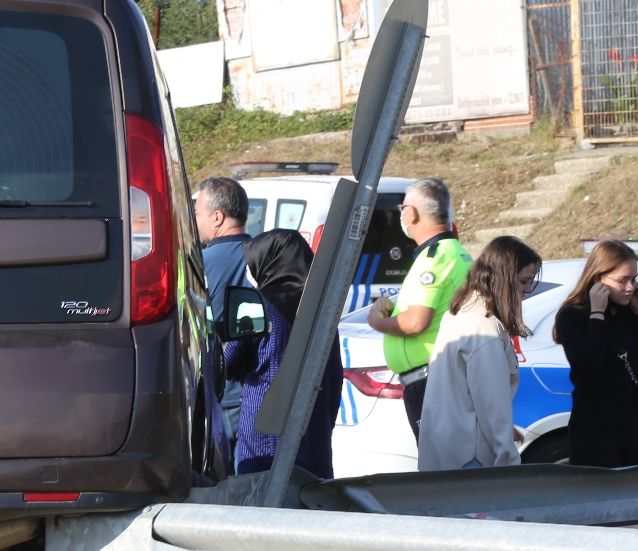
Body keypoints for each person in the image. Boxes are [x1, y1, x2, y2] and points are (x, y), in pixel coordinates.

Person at [223, 229, 342, 478]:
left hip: (264, 427)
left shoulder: (257, 304)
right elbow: (335, 378)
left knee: (263, 505)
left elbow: (228, 363)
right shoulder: (325, 309)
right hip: (314, 427)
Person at [418, 237, 542, 472]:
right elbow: (491, 404)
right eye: (524, 281)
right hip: (471, 454)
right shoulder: (484, 326)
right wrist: (508, 459)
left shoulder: (460, 311)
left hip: (449, 448)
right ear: (503, 279)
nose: (527, 290)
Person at [366, 178, 471, 438]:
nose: (402, 215)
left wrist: (376, 321)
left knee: (439, 466)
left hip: (429, 381)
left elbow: (415, 322)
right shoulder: (455, 253)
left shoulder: (434, 259)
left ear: (411, 213)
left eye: (403, 209)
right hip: (441, 377)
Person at [553, 239, 638, 468]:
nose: (630, 287)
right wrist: (597, 313)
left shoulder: (629, 311)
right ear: (598, 279)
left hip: (634, 426)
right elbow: (588, 365)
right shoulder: (572, 316)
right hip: (594, 430)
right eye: (622, 281)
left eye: (634, 279)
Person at [194, 176, 253, 451]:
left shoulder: (202, 266)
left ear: (217, 217)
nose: (194, 220)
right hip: (260, 389)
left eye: (196, 213)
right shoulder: (265, 256)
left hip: (227, 394)